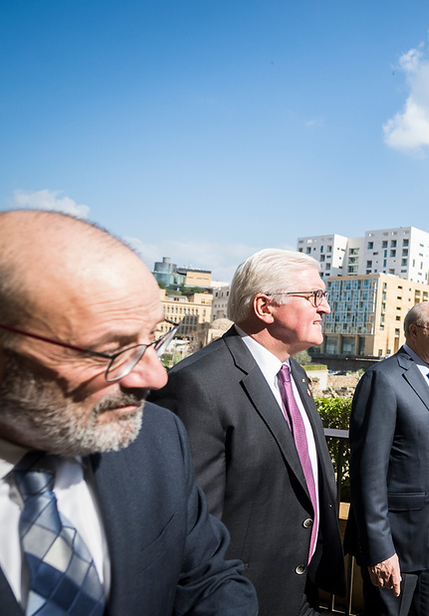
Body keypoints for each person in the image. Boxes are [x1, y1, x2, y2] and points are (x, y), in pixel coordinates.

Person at [0, 210, 258, 615]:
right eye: (112, 351)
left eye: (153, 338)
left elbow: (208, 581)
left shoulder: (157, 438)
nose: (156, 378)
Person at [151, 248, 345, 615]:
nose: (325, 308)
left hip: (303, 592)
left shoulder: (295, 376)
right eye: (314, 297)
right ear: (265, 307)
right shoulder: (197, 385)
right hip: (244, 600)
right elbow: (195, 527)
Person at [346, 301, 429, 616]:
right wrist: (380, 551)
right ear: (414, 332)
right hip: (397, 548)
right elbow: (367, 473)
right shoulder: (383, 379)